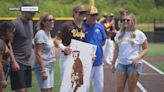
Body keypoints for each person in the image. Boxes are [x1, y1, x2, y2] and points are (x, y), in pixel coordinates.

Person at [111, 13, 149, 92]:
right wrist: (113, 63)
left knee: (132, 89)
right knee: (119, 88)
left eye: (127, 20)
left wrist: (137, 58)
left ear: (133, 22)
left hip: (133, 65)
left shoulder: (139, 34)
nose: (125, 21)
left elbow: (146, 49)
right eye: (123, 20)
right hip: (121, 64)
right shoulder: (119, 34)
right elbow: (116, 50)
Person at [54, 5, 87, 80]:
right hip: (67, 57)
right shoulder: (67, 25)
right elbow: (56, 40)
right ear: (75, 14)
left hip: (79, 58)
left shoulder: (84, 28)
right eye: (80, 13)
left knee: (77, 83)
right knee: (67, 83)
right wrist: (64, 48)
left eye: (84, 13)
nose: (83, 15)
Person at [10, 3, 37, 92]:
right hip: (18, 61)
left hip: (27, 62)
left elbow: (28, 41)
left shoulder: (30, 22)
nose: (34, 14)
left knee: (26, 89)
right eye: (31, 12)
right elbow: (8, 44)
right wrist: (13, 62)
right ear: (24, 11)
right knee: (20, 90)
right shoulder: (14, 24)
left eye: (34, 12)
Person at [83, 6, 106, 92]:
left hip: (98, 62)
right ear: (86, 15)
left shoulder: (100, 26)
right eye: (92, 15)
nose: (94, 17)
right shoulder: (82, 27)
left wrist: (97, 50)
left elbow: (103, 41)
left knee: (99, 87)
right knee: (84, 88)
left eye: (95, 15)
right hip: (85, 63)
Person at [34, 12, 55, 92]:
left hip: (50, 65)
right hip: (43, 67)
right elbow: (38, 53)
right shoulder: (40, 34)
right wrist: (43, 70)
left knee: (49, 89)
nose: (52, 21)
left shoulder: (48, 33)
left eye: (53, 19)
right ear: (43, 22)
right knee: (46, 90)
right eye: (50, 20)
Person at [0, 22, 16, 92]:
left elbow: (10, 49)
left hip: (5, 69)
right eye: (11, 32)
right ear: (6, 32)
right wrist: (3, 78)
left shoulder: (6, 42)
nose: (13, 34)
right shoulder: (1, 43)